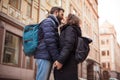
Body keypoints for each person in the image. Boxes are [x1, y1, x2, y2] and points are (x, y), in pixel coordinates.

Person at [34, 6, 64, 80]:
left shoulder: (52, 23)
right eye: (61, 14)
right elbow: (50, 42)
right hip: (44, 56)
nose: (63, 17)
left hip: (46, 55)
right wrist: (56, 59)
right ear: (56, 12)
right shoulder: (49, 22)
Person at [53, 13, 82, 80]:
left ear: (70, 20)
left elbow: (68, 45)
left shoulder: (70, 29)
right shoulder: (73, 29)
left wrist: (60, 61)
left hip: (66, 62)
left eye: (66, 17)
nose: (64, 19)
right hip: (69, 62)